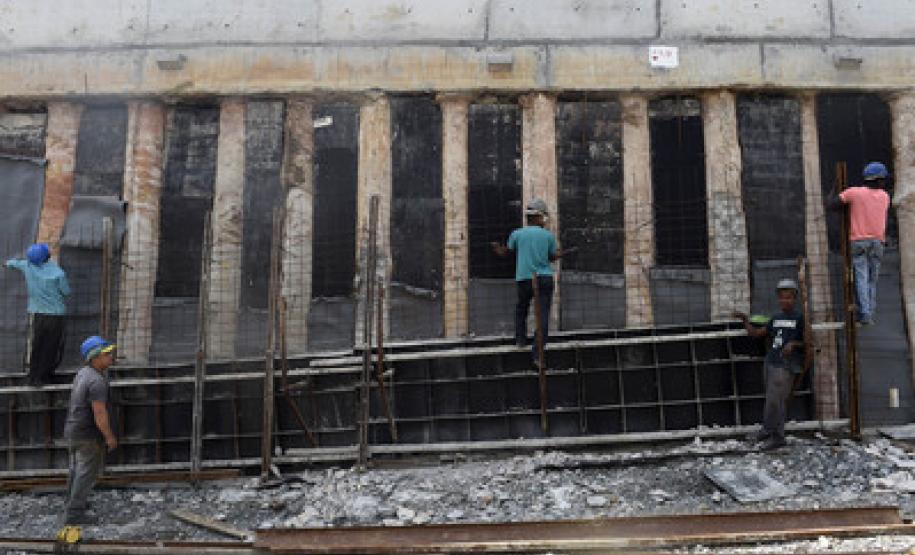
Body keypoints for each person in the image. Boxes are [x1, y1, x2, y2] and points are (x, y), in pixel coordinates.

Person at [734, 279, 805, 451]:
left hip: (786, 365)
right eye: (781, 298)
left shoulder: (800, 318)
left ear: (794, 299)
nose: (784, 301)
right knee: (774, 401)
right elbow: (757, 333)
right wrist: (745, 321)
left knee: (775, 401)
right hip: (771, 362)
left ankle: (769, 431)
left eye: (788, 298)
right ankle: (776, 436)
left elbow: (808, 343)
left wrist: (793, 344)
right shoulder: (776, 318)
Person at [491, 199, 564, 366]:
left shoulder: (516, 234)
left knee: (521, 308)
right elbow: (552, 256)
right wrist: (559, 255)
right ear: (538, 217)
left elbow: (505, 253)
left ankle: (521, 340)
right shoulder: (548, 236)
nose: (545, 220)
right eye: (544, 217)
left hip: (524, 278)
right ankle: (537, 353)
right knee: (542, 314)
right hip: (544, 278)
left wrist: (497, 248)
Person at [60, 336, 117, 526]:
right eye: (106, 354)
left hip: (73, 430)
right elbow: (100, 414)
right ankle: (74, 514)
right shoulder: (97, 382)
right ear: (95, 357)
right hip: (87, 435)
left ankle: (72, 504)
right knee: (85, 473)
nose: (111, 357)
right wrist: (109, 437)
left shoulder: (82, 374)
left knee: (76, 471)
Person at [5, 243, 71, 386]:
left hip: (38, 314)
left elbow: (12, 263)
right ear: (47, 256)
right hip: (55, 315)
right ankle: (45, 377)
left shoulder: (27, 266)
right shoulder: (58, 273)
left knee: (38, 344)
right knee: (51, 346)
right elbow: (66, 292)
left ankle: (33, 376)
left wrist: (7, 264)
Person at [836, 162, 891, 325]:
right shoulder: (885, 196)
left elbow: (833, 204)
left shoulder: (854, 193)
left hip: (859, 241)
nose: (884, 183)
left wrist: (836, 190)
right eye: (883, 180)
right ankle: (869, 313)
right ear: (878, 179)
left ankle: (864, 312)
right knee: (872, 280)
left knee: (861, 277)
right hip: (878, 242)